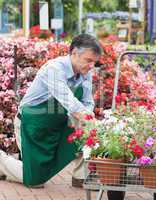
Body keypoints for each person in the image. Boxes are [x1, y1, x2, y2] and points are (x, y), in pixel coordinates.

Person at [0, 34, 101, 188]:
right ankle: (2, 161)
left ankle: (81, 176)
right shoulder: (54, 69)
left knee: (89, 127)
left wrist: (88, 119)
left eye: (94, 62)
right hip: (32, 125)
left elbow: (87, 102)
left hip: (59, 123)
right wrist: (87, 118)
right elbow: (68, 100)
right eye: (88, 60)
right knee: (34, 180)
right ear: (74, 53)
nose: (91, 66)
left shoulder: (86, 74)